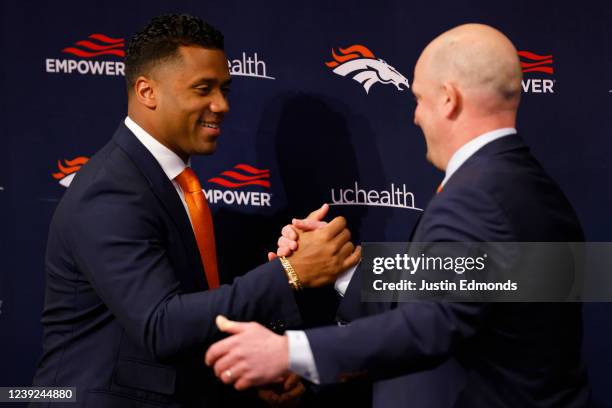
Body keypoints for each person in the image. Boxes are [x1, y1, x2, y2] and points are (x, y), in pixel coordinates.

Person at [204, 23, 590, 407]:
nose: (416, 117)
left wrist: (291, 350)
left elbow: (435, 322)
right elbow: (476, 289)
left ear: (448, 99)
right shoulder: (527, 184)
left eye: (419, 99)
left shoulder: (476, 195)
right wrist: (341, 267)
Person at [32, 14, 360, 407]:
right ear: (146, 91)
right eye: (203, 89)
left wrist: (247, 372)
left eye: (224, 89)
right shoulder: (112, 188)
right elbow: (161, 325)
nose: (220, 105)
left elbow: (187, 318)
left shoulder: (169, 181)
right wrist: (292, 272)